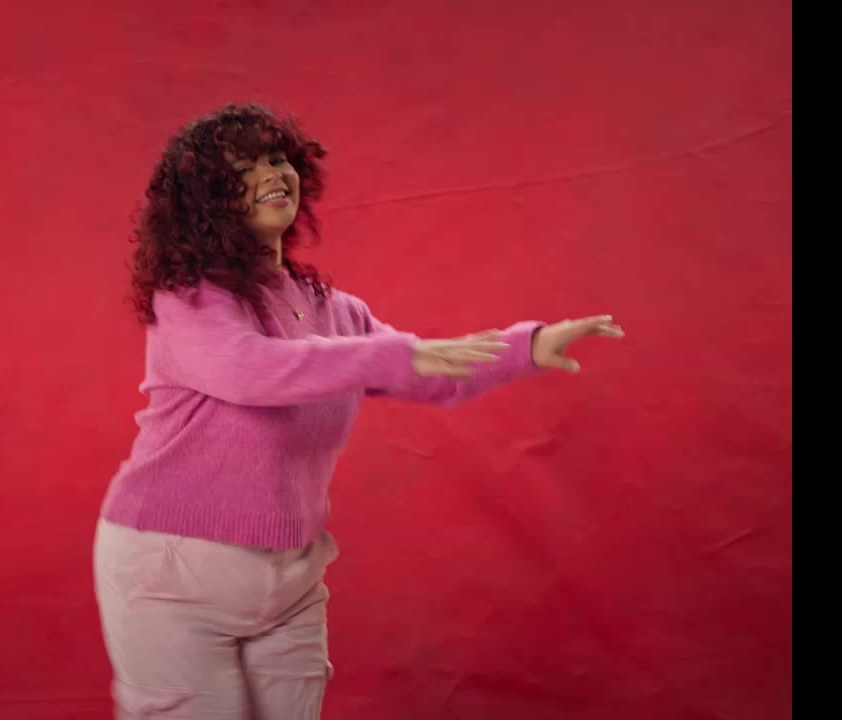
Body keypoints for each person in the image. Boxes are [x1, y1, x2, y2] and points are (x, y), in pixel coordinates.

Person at [93, 104, 624, 719]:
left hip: (289, 577)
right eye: (242, 168)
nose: (271, 174)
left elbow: (426, 370)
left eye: (276, 158)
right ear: (205, 200)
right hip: (170, 575)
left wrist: (529, 346)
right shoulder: (187, 298)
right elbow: (249, 370)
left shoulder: (332, 309)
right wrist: (395, 355)